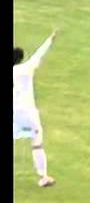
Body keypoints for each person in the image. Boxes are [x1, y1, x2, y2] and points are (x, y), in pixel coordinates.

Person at [14, 30, 59, 188]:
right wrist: (50, 39)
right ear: (21, 58)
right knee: (37, 142)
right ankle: (43, 176)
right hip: (27, 112)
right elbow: (39, 54)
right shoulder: (26, 68)